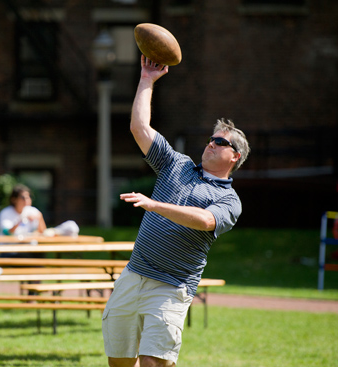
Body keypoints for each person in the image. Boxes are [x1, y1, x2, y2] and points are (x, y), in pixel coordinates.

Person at [102, 56, 250, 367]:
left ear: (234, 156)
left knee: (153, 363)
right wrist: (146, 79)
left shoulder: (229, 199)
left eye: (220, 142)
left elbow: (205, 221)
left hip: (171, 286)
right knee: (119, 362)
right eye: (211, 138)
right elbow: (139, 128)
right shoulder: (177, 164)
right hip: (133, 275)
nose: (211, 143)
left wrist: (155, 205)